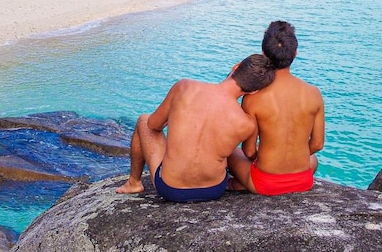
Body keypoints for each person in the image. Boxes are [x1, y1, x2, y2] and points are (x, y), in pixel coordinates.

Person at [115, 54, 275, 202]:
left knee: (144, 120)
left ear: (236, 66)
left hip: (171, 189)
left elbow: (154, 126)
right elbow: (247, 153)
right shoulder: (246, 123)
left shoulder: (184, 87)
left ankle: (134, 183)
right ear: (254, 91)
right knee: (224, 146)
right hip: (214, 190)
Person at [228, 21, 325, 195]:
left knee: (231, 152)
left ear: (264, 53)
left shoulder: (253, 98)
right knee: (313, 160)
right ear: (295, 53)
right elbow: (317, 144)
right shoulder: (314, 93)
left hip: (265, 183)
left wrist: (268, 158)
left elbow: (249, 151)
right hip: (303, 181)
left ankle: (242, 183)